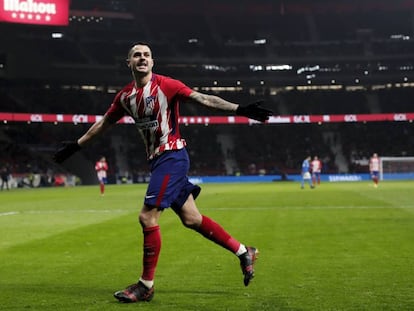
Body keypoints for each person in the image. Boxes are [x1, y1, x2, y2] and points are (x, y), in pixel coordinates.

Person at [53, 42, 273, 303]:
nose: (142, 58)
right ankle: (243, 251)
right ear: (129, 63)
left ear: (153, 62)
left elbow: (203, 99)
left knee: (147, 217)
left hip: (172, 156)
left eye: (146, 55)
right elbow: (103, 124)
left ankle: (146, 285)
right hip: (158, 161)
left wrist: (239, 109)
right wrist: (76, 146)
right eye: (137, 55)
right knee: (191, 218)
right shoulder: (125, 97)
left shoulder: (167, 85)